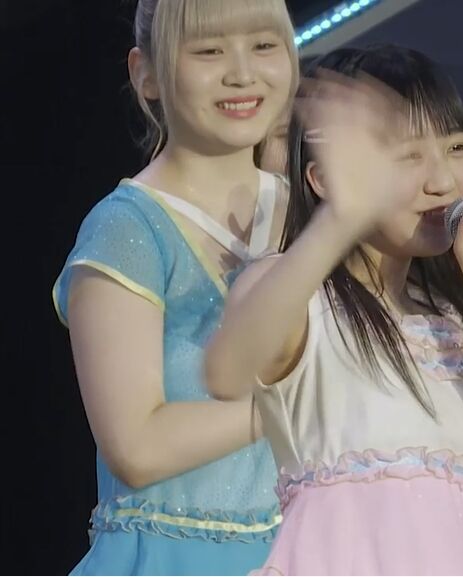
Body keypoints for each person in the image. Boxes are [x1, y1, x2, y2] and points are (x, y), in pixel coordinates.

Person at [203, 44, 463, 575]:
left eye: (456, 147)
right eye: (408, 156)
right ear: (324, 178)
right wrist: (342, 217)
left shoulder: (461, 322)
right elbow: (227, 372)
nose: (443, 181)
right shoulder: (294, 294)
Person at [52, 0, 297, 573]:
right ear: (147, 74)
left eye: (264, 45)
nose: (242, 72)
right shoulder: (128, 229)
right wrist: (298, 403)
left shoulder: (312, 215)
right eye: (210, 50)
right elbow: (136, 447)